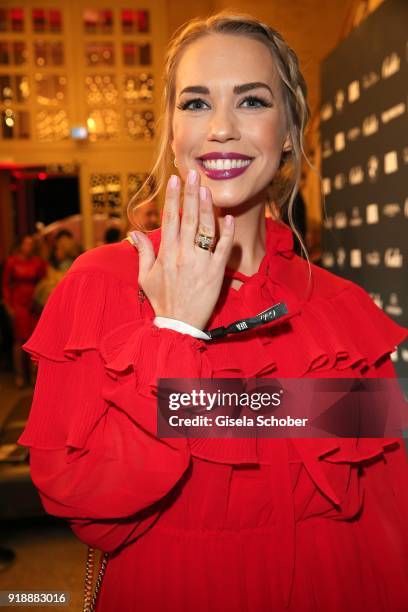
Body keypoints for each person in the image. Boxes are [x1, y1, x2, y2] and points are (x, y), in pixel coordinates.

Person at [18, 12, 408, 612]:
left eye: (251, 101)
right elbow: (85, 500)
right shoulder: (103, 284)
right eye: (196, 104)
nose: (221, 128)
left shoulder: (340, 306)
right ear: (171, 131)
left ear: (289, 131)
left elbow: (382, 508)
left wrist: (204, 405)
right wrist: (174, 331)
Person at [2, 235, 47, 388]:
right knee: (19, 339)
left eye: (31, 244)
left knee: (35, 339)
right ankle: (20, 375)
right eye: (26, 244)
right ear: (20, 245)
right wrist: (8, 306)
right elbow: (6, 285)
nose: (28, 247)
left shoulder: (37, 262)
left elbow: (44, 283)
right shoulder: (12, 261)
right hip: (18, 303)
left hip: (33, 303)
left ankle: (34, 375)